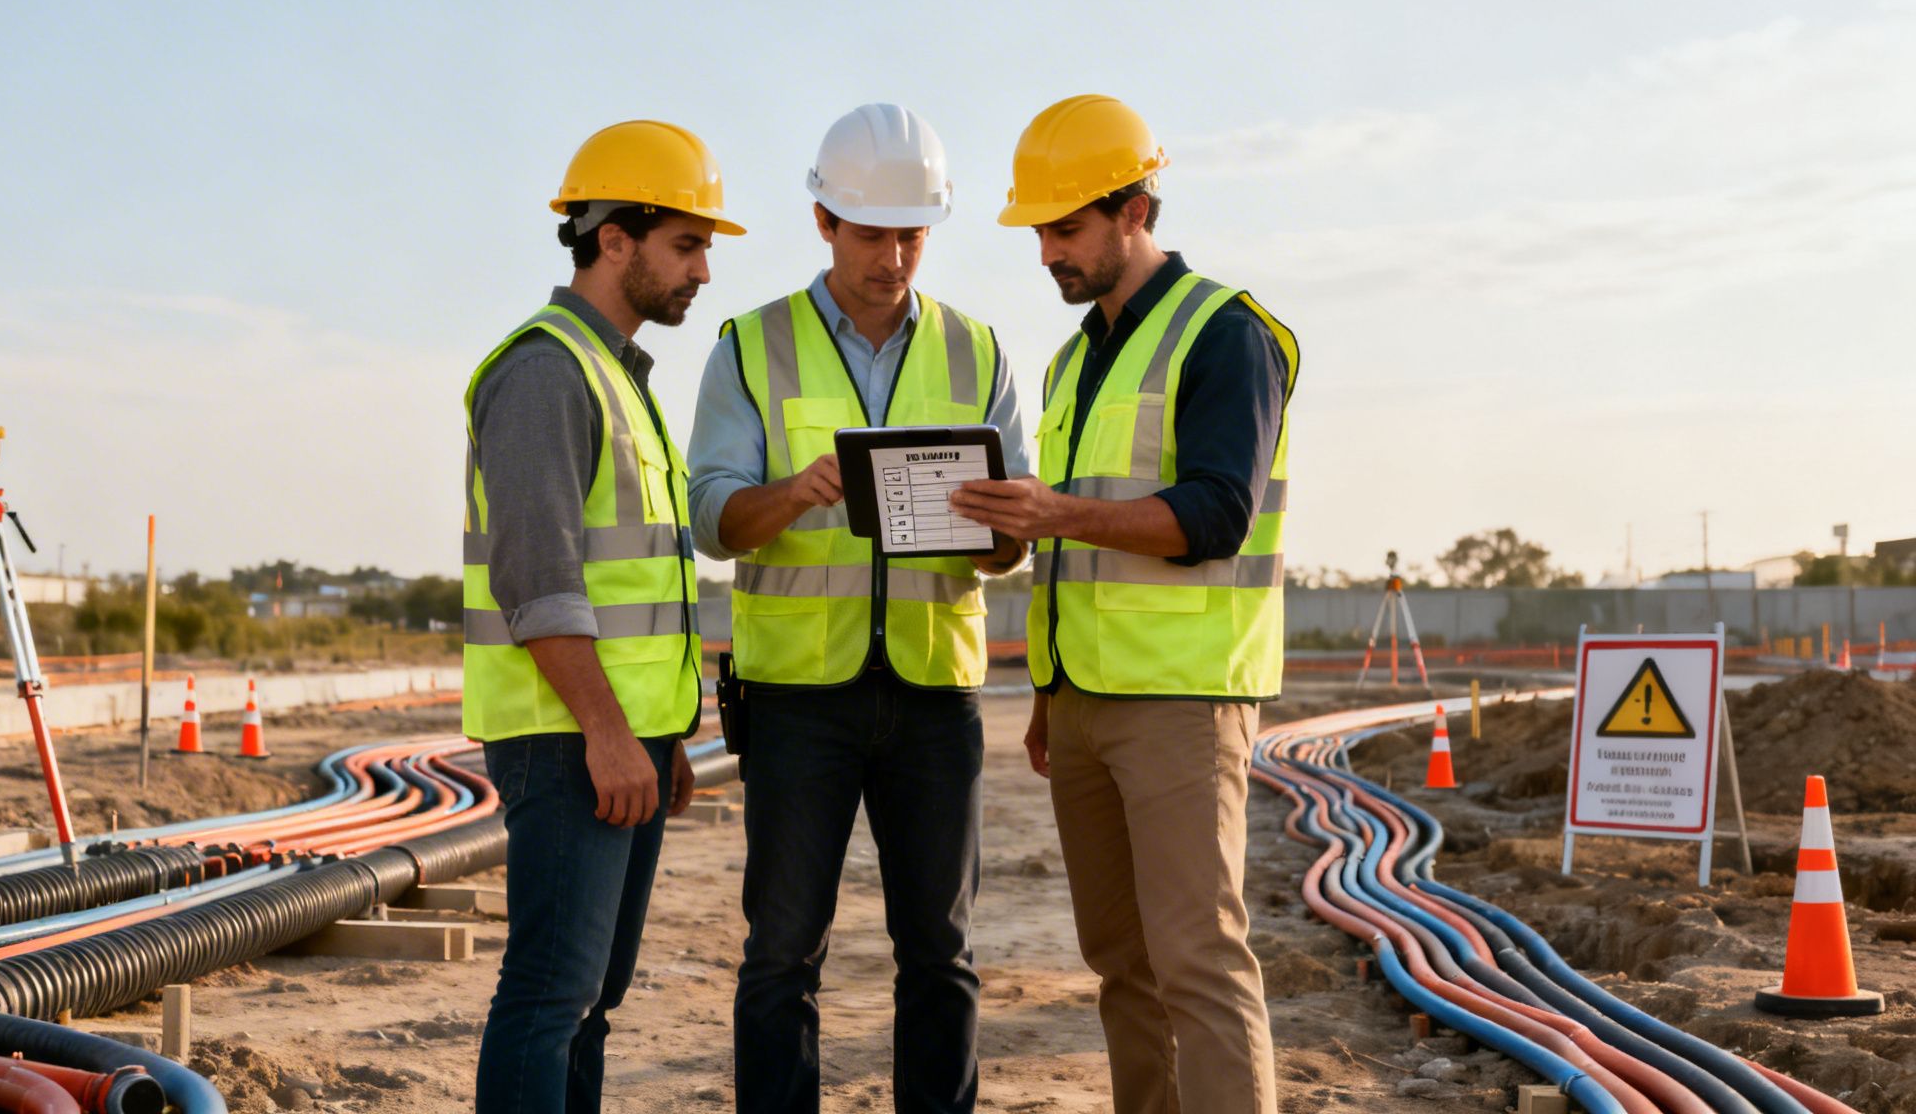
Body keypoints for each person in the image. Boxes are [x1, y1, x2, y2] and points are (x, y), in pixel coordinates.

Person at [951, 93, 1298, 1114]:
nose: (1046, 254)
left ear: (1133, 211)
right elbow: (1069, 543)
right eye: (1039, 232)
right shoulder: (1072, 360)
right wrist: (1051, 685)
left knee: (1197, 960)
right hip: (1088, 705)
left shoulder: (1223, 335)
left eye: (1065, 229)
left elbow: (1214, 515)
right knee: (1121, 964)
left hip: (1184, 703)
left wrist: (1056, 511)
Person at [687, 103, 1028, 1114]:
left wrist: (993, 522)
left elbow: (1015, 539)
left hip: (933, 695)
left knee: (941, 952)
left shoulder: (977, 351)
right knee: (781, 954)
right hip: (800, 698)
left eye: (910, 235)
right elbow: (712, 518)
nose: (891, 257)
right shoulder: (749, 347)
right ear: (823, 221)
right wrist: (789, 492)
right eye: (871, 233)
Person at [463, 119, 744, 1114]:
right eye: (685, 244)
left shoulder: (617, 378)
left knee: (590, 1001)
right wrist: (608, 731)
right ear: (610, 239)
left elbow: (640, 589)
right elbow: (538, 580)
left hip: (615, 738)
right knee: (549, 997)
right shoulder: (547, 373)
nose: (703, 270)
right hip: (566, 739)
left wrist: (660, 735)